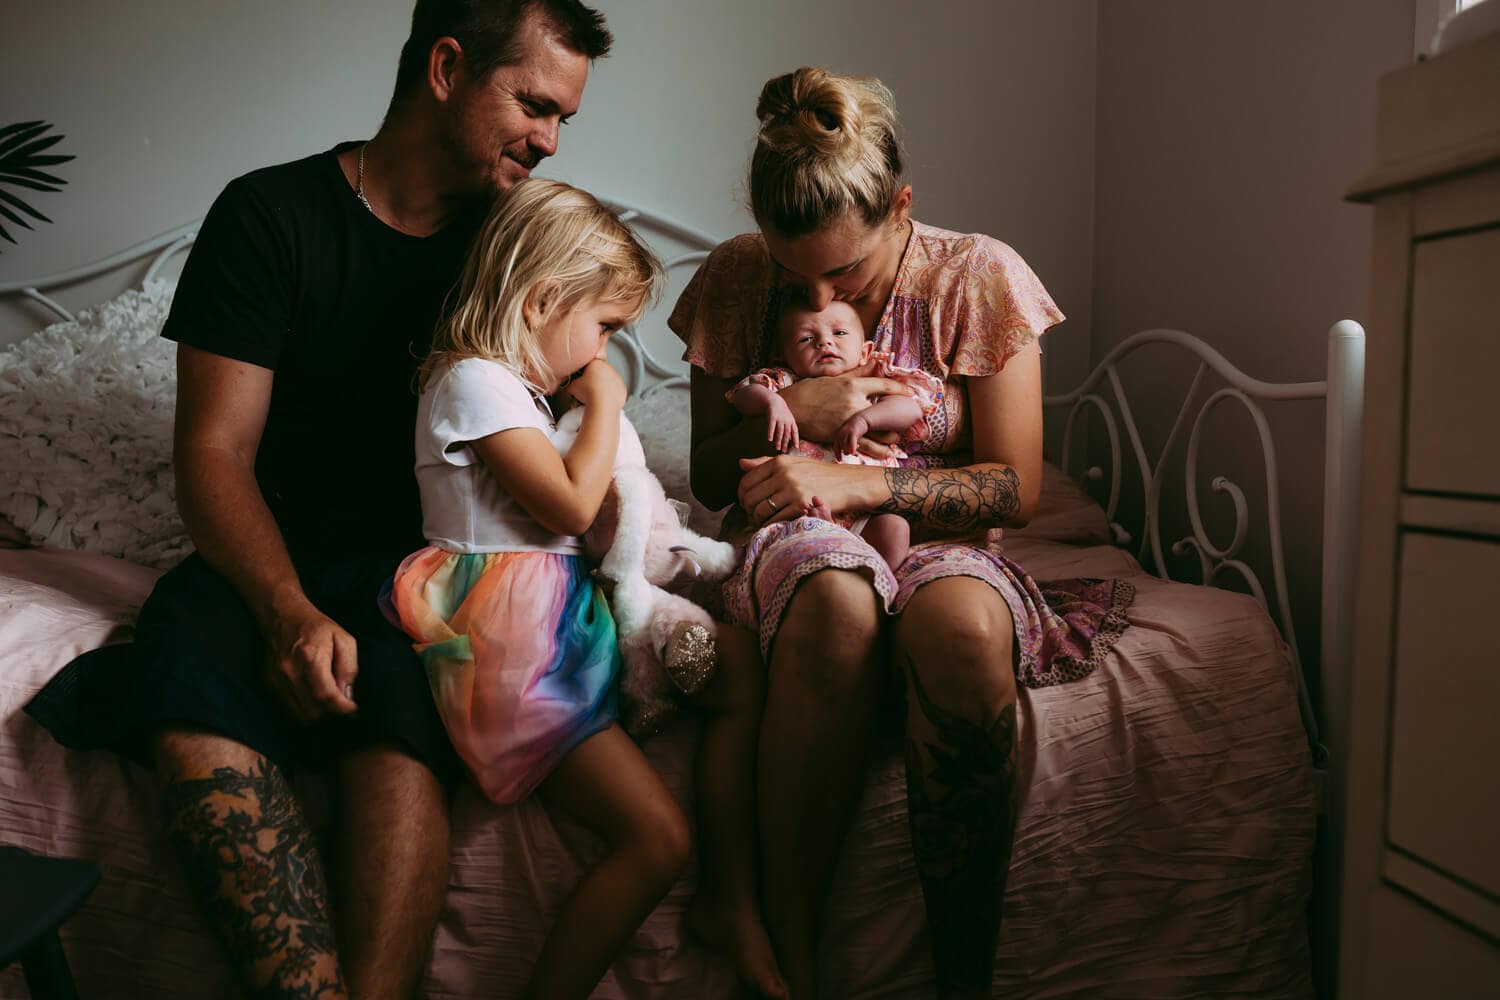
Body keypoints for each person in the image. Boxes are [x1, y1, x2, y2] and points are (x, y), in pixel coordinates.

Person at [25, 3, 612, 997]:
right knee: (185, 677)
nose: (548, 139)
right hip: (265, 557)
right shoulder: (269, 216)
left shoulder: (514, 251)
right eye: (533, 103)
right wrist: (286, 608)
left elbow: (596, 380)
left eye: (563, 118)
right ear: (445, 66)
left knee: (399, 718)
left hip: (424, 569)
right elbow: (214, 453)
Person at [670, 67, 1135, 999]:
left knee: (960, 631)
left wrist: (854, 476)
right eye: (791, 268)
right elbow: (711, 474)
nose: (812, 292)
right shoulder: (731, 274)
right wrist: (796, 404)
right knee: (835, 601)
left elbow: (1015, 488)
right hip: (793, 536)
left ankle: (966, 973)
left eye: (841, 271)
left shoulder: (978, 274)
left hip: (940, 539)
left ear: (902, 207)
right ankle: (789, 957)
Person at [381, 178, 787, 999]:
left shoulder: (521, 392)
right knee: (655, 839)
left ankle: (733, 899)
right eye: (602, 328)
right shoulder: (471, 384)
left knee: (739, 670)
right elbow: (567, 501)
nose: (604, 354)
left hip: (567, 618)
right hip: (514, 652)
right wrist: (608, 399)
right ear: (540, 302)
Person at [726, 296, 944, 569]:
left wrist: (866, 419)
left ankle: (882, 580)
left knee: (895, 527)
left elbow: (910, 409)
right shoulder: (786, 381)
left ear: (865, 352)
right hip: (803, 502)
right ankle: (826, 543)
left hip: (866, 511)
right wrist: (775, 402)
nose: (824, 343)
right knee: (786, 532)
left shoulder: (874, 378)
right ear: (784, 355)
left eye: (839, 333)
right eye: (806, 339)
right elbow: (742, 395)